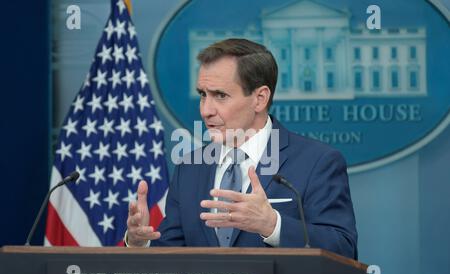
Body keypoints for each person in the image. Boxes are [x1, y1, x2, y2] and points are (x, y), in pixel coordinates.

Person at [125, 38, 358, 259]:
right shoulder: (190, 167)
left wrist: (273, 225)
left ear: (259, 98)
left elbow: (343, 249)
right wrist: (140, 243)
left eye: (220, 96)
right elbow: (173, 255)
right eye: (203, 95)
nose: (206, 110)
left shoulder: (317, 162)